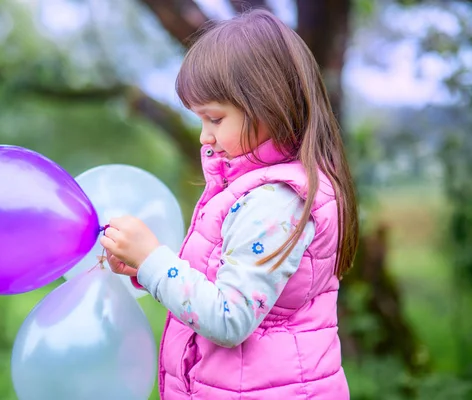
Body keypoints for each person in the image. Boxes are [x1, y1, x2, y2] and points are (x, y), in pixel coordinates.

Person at [100, 8, 358, 400]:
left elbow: (228, 316)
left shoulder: (277, 201)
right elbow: (223, 280)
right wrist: (143, 263)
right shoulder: (253, 188)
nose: (204, 136)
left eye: (214, 119)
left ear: (266, 105)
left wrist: (155, 261)